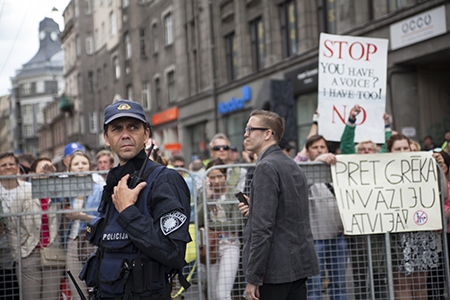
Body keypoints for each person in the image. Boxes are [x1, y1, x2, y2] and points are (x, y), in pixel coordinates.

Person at [79, 99, 191, 299]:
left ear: (146, 134)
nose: (125, 135)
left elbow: (174, 253)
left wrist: (128, 212)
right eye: (116, 129)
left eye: (133, 127)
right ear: (106, 137)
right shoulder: (114, 181)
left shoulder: (165, 180)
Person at [241, 110, 319, 300]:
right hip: (297, 266)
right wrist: (256, 208)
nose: (246, 134)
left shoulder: (266, 166)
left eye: (250, 129)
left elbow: (262, 228)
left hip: (275, 271)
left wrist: (254, 277)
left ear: (267, 134)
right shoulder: (290, 164)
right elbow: (287, 213)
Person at [1, 153, 63, 299]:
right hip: (28, 252)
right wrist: (18, 254)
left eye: (50, 168)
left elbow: (73, 191)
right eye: (43, 169)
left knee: (51, 296)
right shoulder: (23, 194)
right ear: (33, 174)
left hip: (52, 251)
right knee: (31, 296)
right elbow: (11, 226)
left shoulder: (58, 193)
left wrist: (54, 176)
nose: (46, 171)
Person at [387, 133, 440, 300]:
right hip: (397, 235)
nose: (403, 151)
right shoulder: (382, 171)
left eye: (405, 147)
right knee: (401, 283)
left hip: (420, 232)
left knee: (420, 283)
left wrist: (440, 166)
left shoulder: (422, 167)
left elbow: (443, 194)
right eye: (398, 149)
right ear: (389, 151)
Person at [303, 135, 348, 300]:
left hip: (338, 236)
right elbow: (301, 186)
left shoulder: (337, 169)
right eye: (315, 147)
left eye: (322, 147)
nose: (319, 150)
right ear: (308, 151)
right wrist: (317, 163)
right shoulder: (304, 170)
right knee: (314, 287)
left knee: (339, 285)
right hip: (316, 240)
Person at [197, 158, 243, 300]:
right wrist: (207, 199)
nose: (216, 180)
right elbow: (199, 220)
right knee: (212, 294)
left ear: (225, 176)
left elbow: (236, 224)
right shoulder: (204, 194)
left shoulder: (235, 194)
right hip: (211, 247)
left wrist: (210, 224)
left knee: (222, 293)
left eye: (219, 176)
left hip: (230, 245)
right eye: (212, 177)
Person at [64, 152, 103, 299]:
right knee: (76, 287)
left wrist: (81, 216)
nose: (80, 167)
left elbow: (102, 218)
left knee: (96, 285)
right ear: (70, 169)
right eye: (76, 164)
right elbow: (53, 200)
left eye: (84, 163)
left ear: (90, 167)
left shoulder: (99, 188)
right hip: (72, 241)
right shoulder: (65, 189)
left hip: (91, 240)